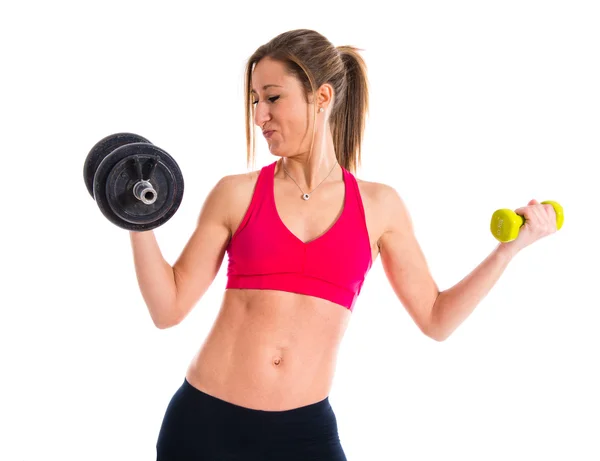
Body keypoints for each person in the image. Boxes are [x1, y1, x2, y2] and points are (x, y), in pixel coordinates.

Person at [129, 29, 559, 460]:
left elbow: (436, 319)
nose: (259, 115)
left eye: (272, 98)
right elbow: (168, 309)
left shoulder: (379, 207)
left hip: (304, 435)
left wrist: (509, 250)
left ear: (321, 96)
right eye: (255, 100)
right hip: (206, 427)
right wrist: (134, 217)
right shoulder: (236, 194)